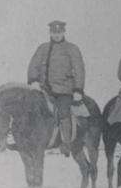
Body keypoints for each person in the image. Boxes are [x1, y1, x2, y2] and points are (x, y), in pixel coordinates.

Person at [27, 20, 85, 157]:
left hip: (63, 90)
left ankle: (66, 143)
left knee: (63, 111)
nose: (57, 35)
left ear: (64, 32)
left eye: (59, 32)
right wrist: (33, 81)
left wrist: (78, 89)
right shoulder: (43, 48)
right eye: (54, 32)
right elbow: (33, 65)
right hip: (43, 89)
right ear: (50, 32)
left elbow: (79, 69)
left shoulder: (72, 48)